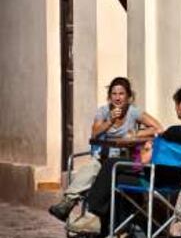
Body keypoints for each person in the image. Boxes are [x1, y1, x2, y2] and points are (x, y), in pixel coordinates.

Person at [69, 85, 181, 238]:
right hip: (174, 183)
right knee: (116, 172)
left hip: (152, 182)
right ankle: (118, 229)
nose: (176, 110)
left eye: (176, 106)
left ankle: (96, 218)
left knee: (111, 166)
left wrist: (143, 147)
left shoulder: (173, 133)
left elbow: (143, 160)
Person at [48, 76, 163, 223]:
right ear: (109, 97)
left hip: (124, 159)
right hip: (103, 157)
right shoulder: (103, 111)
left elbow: (159, 128)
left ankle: (86, 213)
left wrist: (135, 133)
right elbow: (95, 133)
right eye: (114, 94)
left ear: (128, 97)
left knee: (98, 170)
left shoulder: (133, 112)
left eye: (121, 94)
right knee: (91, 168)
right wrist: (110, 122)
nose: (117, 98)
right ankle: (68, 203)